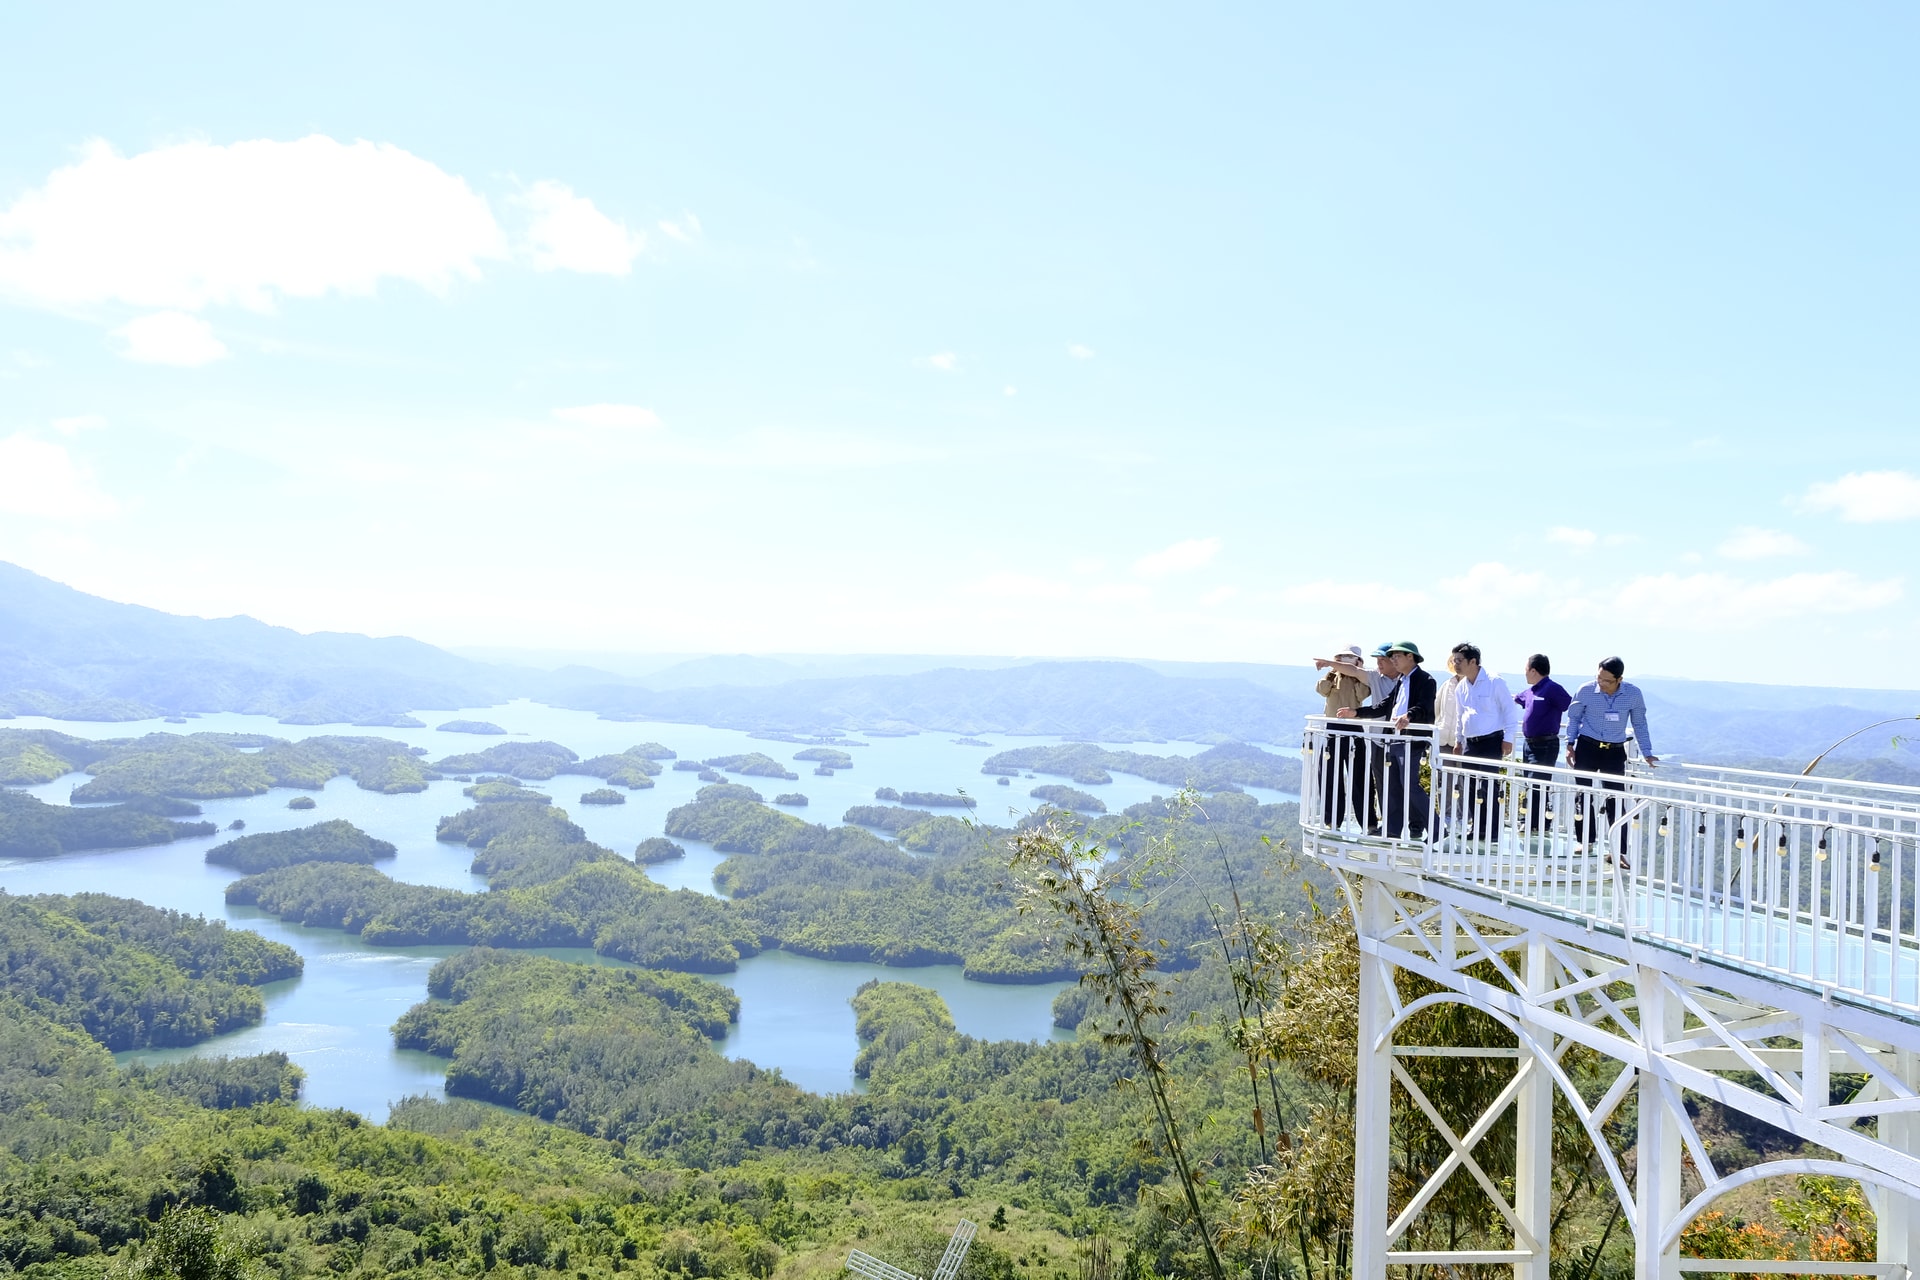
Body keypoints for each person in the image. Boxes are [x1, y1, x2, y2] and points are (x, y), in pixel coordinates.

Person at [1564, 657, 1658, 859]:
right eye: (1599, 678)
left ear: (1619, 679)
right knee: (1583, 794)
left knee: (1616, 799)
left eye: (1607, 681)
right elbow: (1574, 718)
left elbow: (1640, 724)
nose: (1602, 684)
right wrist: (1569, 744)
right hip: (1587, 746)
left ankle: (1618, 851)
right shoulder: (1585, 690)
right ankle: (1585, 841)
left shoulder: (1633, 694)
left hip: (1614, 751)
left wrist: (1647, 753)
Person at [1339, 641, 1435, 838]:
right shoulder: (1402, 681)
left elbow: (1424, 706)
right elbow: (1384, 707)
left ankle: (1437, 828)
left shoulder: (1425, 680)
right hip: (1395, 741)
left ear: (1410, 657)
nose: (1393, 661)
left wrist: (1408, 716)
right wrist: (1356, 712)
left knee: (1411, 787)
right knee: (1393, 787)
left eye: (1396, 657)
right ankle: (1392, 830)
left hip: (1411, 742)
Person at [1445, 643, 1517, 840]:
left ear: (1473, 661)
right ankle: (1475, 827)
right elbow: (1461, 715)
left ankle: (1491, 830)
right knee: (1468, 785)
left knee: (1488, 787)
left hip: (1491, 741)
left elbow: (1510, 711)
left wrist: (1508, 739)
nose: (1456, 665)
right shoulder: (1462, 686)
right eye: (1454, 661)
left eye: (1459, 661)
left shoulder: (1495, 682)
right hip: (1470, 743)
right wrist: (1458, 741)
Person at [1313, 645, 1371, 826]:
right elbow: (1322, 690)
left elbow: (1363, 694)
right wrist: (1332, 671)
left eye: (1349, 657)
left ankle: (1367, 821)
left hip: (1354, 728)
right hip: (1332, 727)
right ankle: (1332, 819)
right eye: (1342, 656)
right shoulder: (1332, 676)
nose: (1345, 660)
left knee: (1359, 777)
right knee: (1329, 776)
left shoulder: (1360, 678)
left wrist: (1357, 672)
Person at [1512, 654, 1571, 832]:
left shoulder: (1552, 688)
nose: (1525, 674)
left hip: (1545, 745)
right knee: (1529, 783)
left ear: (1533, 670)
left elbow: (1567, 703)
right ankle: (1531, 820)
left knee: (1538, 784)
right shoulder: (1532, 690)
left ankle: (1538, 823)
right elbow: (1517, 698)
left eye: (1526, 670)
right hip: (1528, 744)